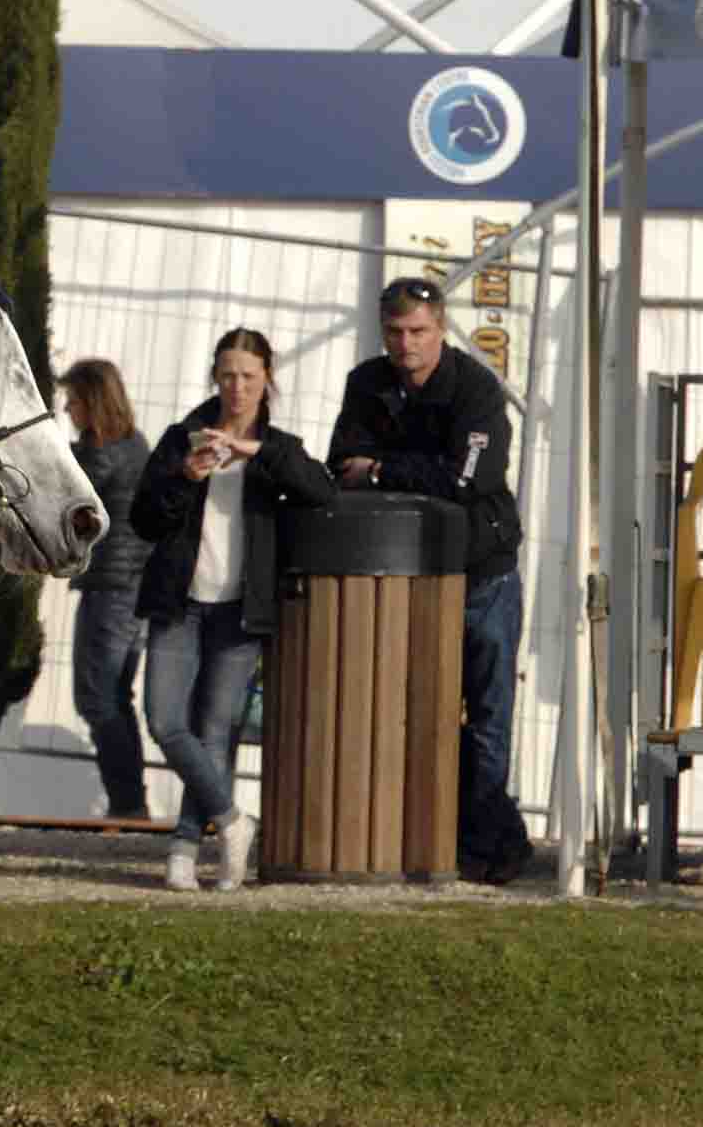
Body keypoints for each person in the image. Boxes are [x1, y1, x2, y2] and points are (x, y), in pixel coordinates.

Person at [329, 276, 534, 886]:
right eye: (394, 332)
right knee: (421, 714)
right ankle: (460, 839)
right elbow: (342, 462)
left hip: (482, 575)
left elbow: (470, 478)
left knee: (489, 717)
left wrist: (386, 469)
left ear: (440, 330)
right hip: (408, 576)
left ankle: (483, 846)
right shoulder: (366, 383)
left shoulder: (474, 387)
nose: (405, 344)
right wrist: (409, 473)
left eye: (417, 331)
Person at [130, 330, 333, 890]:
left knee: (216, 731)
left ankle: (184, 850)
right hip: (180, 603)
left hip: (242, 611)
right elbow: (143, 519)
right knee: (166, 720)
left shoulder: (279, 447)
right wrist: (184, 477)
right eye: (227, 375)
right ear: (214, 378)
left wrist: (257, 454)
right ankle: (234, 821)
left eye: (248, 376)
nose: (237, 387)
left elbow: (322, 491)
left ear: (267, 379)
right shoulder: (181, 438)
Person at [60, 358, 154, 821]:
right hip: (127, 589)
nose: (67, 409)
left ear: (93, 401)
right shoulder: (133, 445)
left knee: (99, 697)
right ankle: (129, 802)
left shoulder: (103, 452)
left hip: (113, 588)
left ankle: (128, 805)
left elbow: (69, 498)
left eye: (73, 400)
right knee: (112, 696)